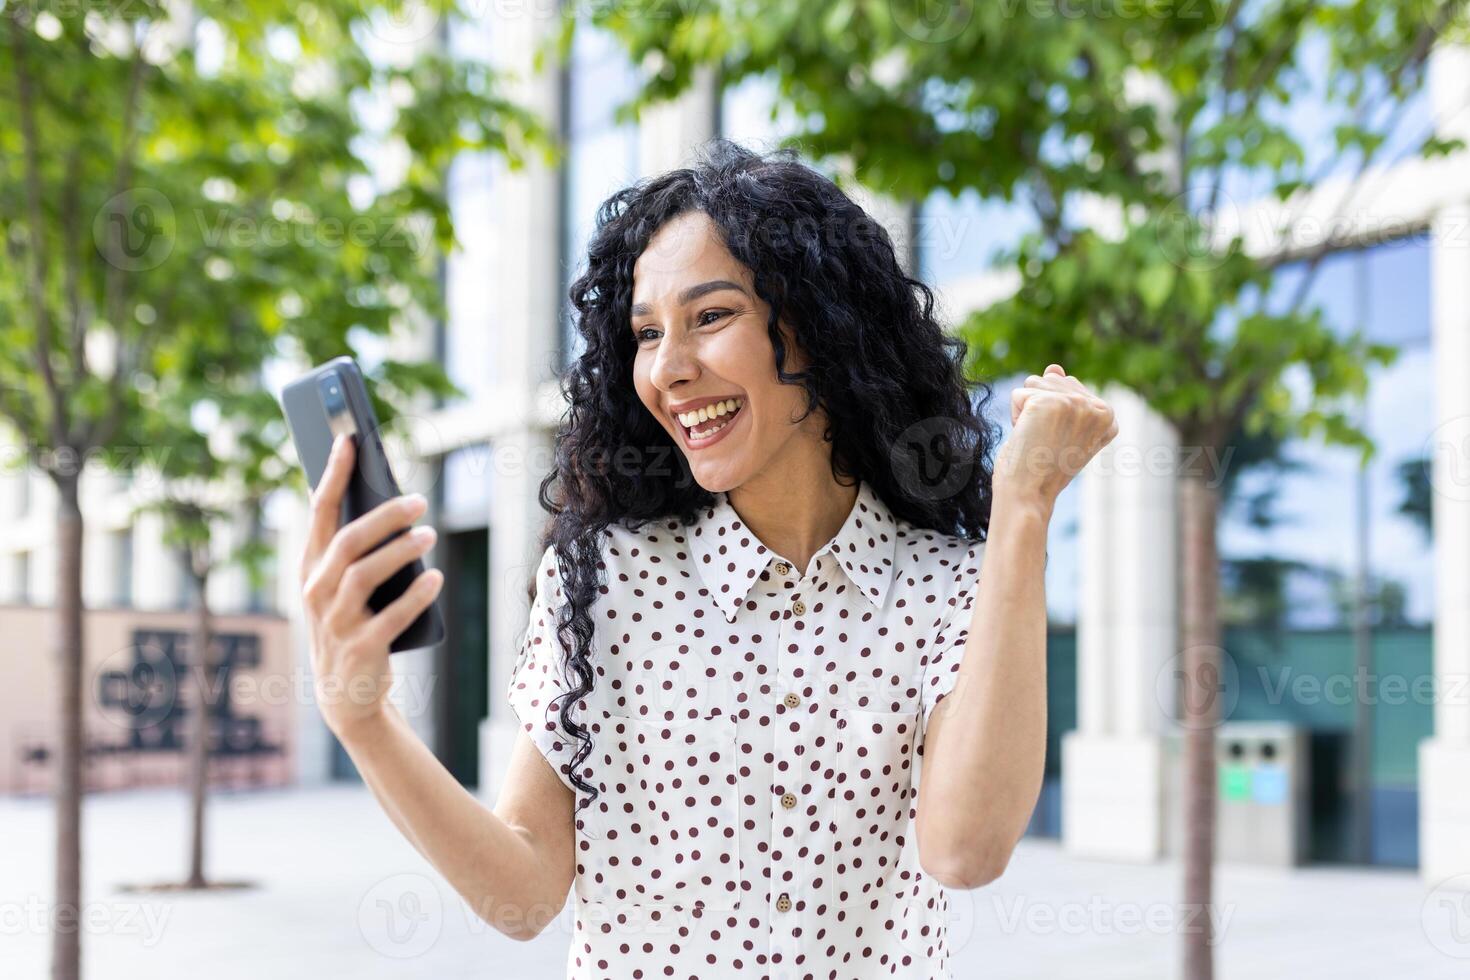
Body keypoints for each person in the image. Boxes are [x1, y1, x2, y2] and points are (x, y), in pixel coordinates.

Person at [297, 139, 1117, 978]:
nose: (669, 370)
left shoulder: (948, 586)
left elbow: (967, 850)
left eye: (711, 317)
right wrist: (364, 720)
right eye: (646, 334)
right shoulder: (607, 578)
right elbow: (524, 893)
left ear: (817, 327)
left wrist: (1024, 509)